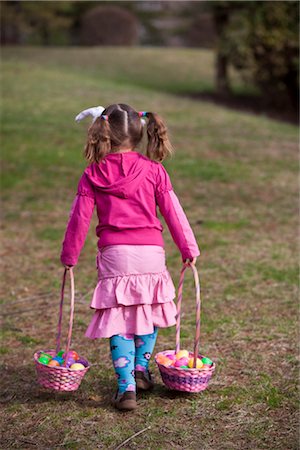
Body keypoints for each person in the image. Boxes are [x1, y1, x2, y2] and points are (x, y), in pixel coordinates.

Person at [60, 103, 200, 411]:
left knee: (119, 319)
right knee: (149, 311)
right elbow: (174, 213)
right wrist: (189, 249)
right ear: (139, 133)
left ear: (104, 134)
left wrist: (69, 255)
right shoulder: (154, 171)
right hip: (151, 254)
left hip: (115, 257)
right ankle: (140, 368)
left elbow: (79, 219)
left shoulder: (92, 173)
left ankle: (126, 388)